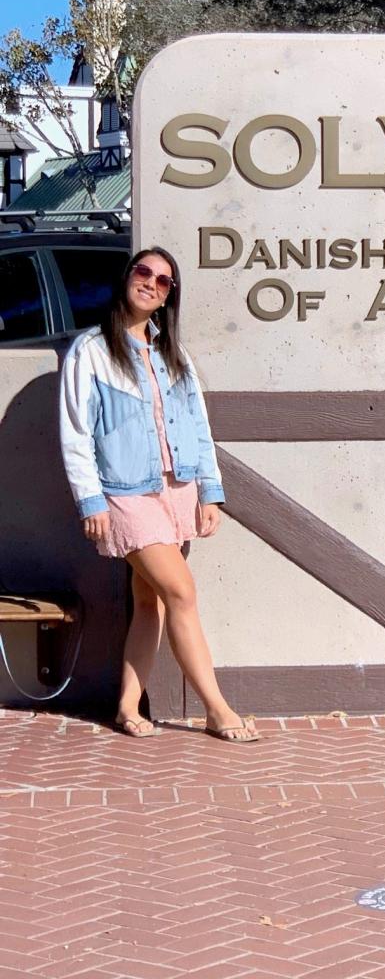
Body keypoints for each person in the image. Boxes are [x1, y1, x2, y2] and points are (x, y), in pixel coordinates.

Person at [59, 246, 259, 743]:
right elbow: (75, 432)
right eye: (143, 272)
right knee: (182, 591)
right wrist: (91, 500)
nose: (151, 283)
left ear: (170, 296)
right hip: (127, 494)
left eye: (164, 280)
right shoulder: (91, 351)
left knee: (152, 602)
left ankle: (127, 707)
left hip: (178, 489)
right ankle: (217, 709)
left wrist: (210, 493)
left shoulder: (174, 354)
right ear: (126, 278)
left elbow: (198, 424)